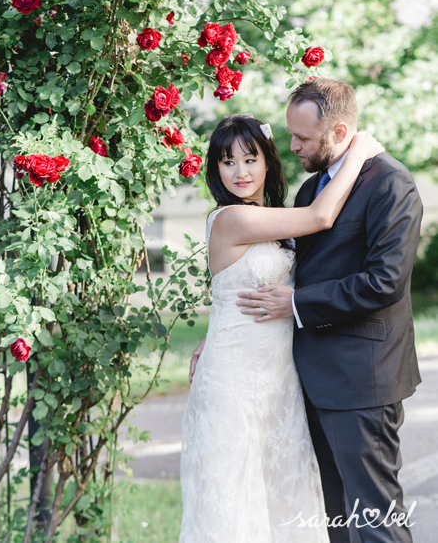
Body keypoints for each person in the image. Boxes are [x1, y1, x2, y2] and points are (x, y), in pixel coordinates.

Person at [226, 78, 423, 543]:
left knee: (375, 521)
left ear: (338, 132)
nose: (291, 146)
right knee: (335, 518)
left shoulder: (391, 183)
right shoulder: (313, 188)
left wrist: (297, 303)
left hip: (362, 380)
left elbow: (384, 282)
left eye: (303, 138)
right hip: (310, 379)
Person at [181, 110, 383, 543]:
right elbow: (319, 217)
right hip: (234, 381)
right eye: (227, 162)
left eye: (250, 159)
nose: (240, 171)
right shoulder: (230, 219)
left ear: (268, 162)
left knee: (280, 496)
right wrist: (359, 152)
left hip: (278, 380)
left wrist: (212, 329)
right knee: (236, 500)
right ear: (215, 169)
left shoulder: (273, 221)